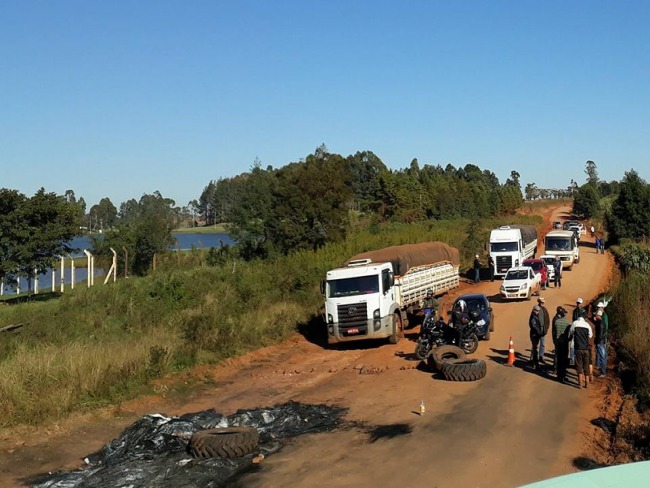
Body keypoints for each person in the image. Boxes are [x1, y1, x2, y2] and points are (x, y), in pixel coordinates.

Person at [568, 309, 593, 389]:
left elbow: (571, 332)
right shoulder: (587, 325)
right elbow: (590, 335)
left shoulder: (575, 323)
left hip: (578, 348)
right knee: (586, 366)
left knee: (579, 367)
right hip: (585, 348)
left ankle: (580, 384)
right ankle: (587, 383)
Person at [552, 306, 571, 383]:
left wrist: (555, 339)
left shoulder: (556, 322)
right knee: (564, 359)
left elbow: (554, 332)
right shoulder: (567, 323)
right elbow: (569, 334)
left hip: (558, 342)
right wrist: (569, 339)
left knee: (559, 359)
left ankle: (558, 375)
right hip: (565, 343)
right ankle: (563, 375)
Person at [594, 305, 608, 377]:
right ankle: (602, 371)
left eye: (596, 315)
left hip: (601, 342)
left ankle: (603, 372)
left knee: (602, 357)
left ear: (598, 315)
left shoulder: (600, 324)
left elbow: (600, 334)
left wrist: (597, 341)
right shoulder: (602, 322)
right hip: (602, 341)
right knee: (603, 356)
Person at [537, 297, 550, 365]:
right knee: (535, 345)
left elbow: (547, 320)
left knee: (542, 344)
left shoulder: (545, 310)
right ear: (539, 302)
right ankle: (533, 358)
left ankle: (541, 357)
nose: (542, 303)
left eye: (543, 302)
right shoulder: (536, 309)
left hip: (543, 331)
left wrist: (546, 328)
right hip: (537, 331)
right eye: (541, 302)